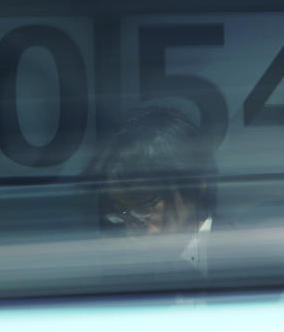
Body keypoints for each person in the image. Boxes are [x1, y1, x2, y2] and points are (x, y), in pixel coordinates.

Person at [84, 106, 217, 275]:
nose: (133, 225)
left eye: (144, 207)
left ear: (195, 186)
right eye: (121, 212)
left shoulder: (245, 255)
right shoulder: (124, 271)